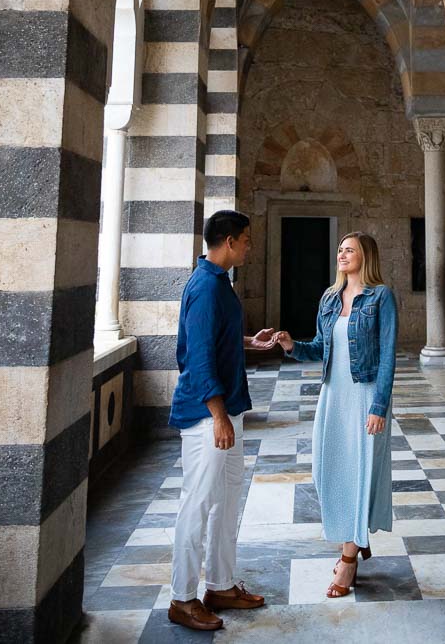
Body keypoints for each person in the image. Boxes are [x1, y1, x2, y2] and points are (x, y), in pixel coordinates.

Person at [168, 209, 277, 631]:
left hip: (227, 408)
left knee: (227, 501)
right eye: (247, 239)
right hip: (205, 415)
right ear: (229, 241)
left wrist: (251, 341)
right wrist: (217, 414)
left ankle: (220, 584)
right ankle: (182, 598)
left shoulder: (219, 284)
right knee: (197, 503)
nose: (250, 245)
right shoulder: (206, 287)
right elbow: (197, 356)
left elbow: (217, 340)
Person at [274, 231, 398, 598]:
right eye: (340, 250)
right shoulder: (329, 298)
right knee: (327, 470)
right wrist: (291, 346)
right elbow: (319, 349)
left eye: (350, 250)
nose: (342, 255)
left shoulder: (381, 297)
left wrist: (379, 406)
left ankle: (347, 560)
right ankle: (356, 539)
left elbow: (389, 355)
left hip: (364, 394)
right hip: (333, 394)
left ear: (366, 257)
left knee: (359, 472)